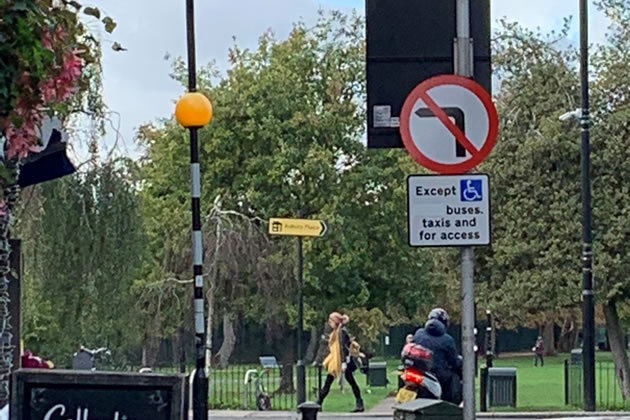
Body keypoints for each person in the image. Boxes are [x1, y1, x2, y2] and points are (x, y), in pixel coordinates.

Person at [316, 312, 364, 413]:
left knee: (348, 382)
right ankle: (318, 403)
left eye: (331, 320)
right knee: (329, 382)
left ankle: (318, 403)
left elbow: (342, 348)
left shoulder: (341, 332)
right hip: (337, 361)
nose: (329, 323)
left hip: (341, 362)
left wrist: (343, 363)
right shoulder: (336, 331)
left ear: (336, 322)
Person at [413, 308, 462, 404]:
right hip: (438, 374)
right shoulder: (448, 340)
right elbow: (454, 361)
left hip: (419, 371)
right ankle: (450, 404)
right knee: (454, 377)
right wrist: (460, 363)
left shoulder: (418, 333)